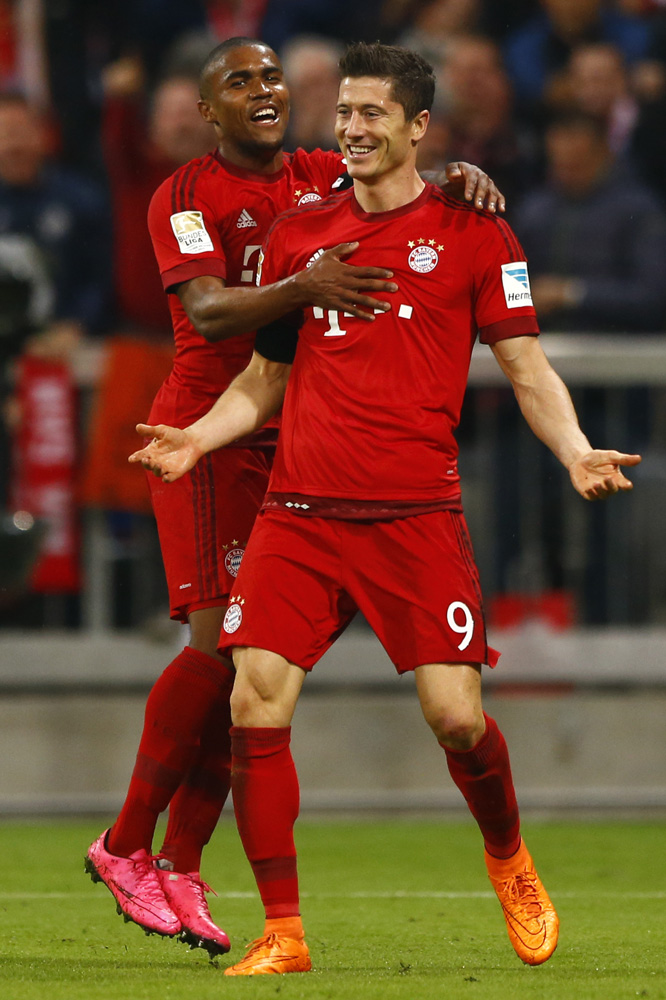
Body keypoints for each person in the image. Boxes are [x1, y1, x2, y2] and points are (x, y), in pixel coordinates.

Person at [130, 41, 641, 976]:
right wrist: (198, 438)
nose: (352, 129)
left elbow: (526, 367)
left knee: (456, 718)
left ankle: (510, 860)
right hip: (300, 512)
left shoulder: (475, 231)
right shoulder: (301, 236)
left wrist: (574, 450)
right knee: (254, 698)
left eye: (372, 114)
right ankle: (283, 932)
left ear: (418, 127)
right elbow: (265, 376)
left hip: (415, 516)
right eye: (345, 113)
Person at [84, 35, 503, 957]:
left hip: (292, 447)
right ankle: (125, 845)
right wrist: (301, 285)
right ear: (209, 110)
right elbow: (207, 312)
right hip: (208, 433)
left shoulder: (317, 171)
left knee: (250, 672)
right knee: (215, 652)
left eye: (272, 76)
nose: (264, 90)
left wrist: (461, 177)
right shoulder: (184, 194)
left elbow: (398, 175)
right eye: (240, 82)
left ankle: (180, 862)